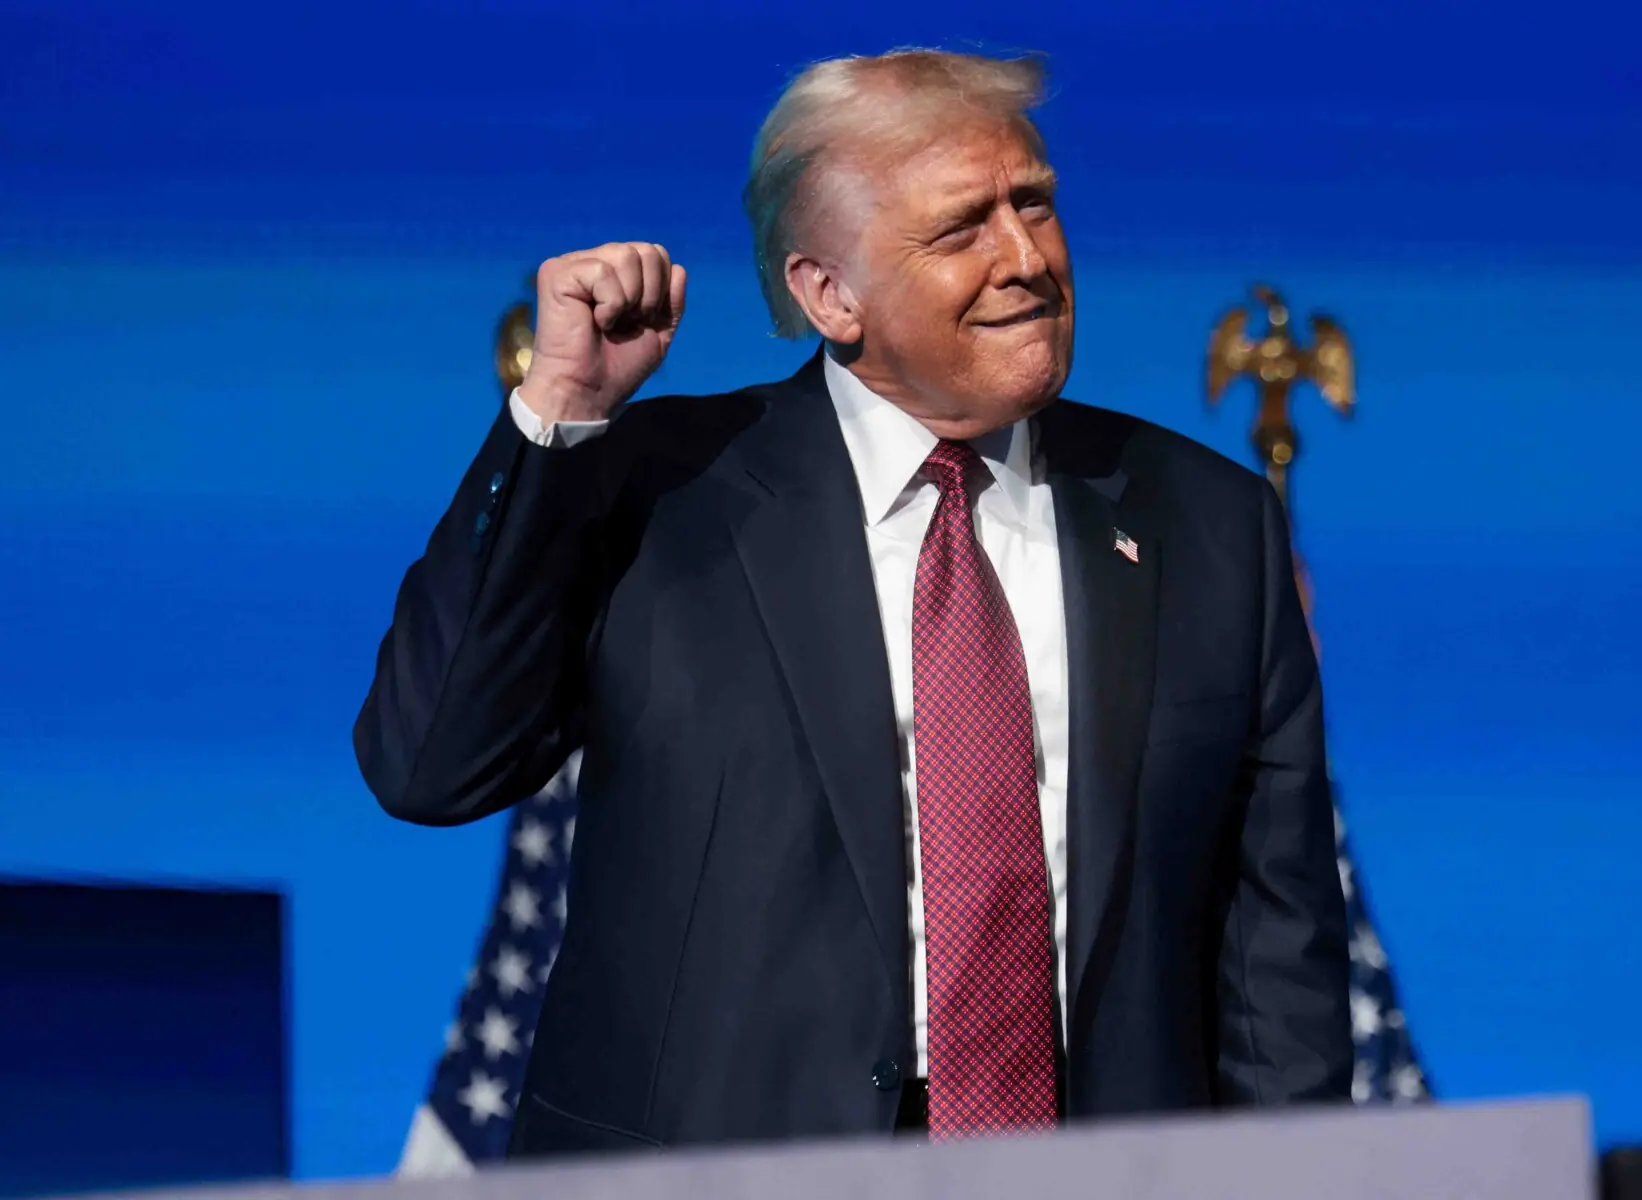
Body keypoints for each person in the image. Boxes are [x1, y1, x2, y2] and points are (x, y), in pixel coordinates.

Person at [355, 48, 1350, 1156]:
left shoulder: (1206, 523)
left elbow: (1279, 951)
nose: (1026, 257)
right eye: (961, 227)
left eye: (1035, 204)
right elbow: (428, 763)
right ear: (828, 294)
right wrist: (558, 413)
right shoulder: (659, 491)